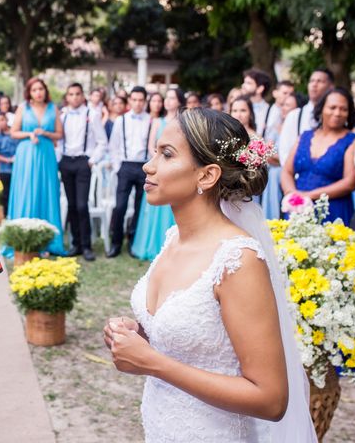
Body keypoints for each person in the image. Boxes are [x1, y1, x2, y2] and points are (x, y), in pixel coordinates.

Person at [104, 108, 317, 442]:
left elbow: (271, 399)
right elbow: (196, 337)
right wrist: (137, 336)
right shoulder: (173, 238)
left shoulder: (237, 259)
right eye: (155, 152)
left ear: (207, 175)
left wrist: (153, 363)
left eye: (167, 154)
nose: (149, 165)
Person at [281, 87, 355, 225]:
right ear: (321, 108)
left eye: (343, 109)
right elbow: (287, 171)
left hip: (333, 210)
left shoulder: (352, 141)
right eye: (332, 107)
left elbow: (350, 182)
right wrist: (292, 194)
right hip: (297, 209)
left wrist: (310, 196)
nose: (337, 113)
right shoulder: (305, 136)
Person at [8, 77, 65, 255]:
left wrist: (45, 133)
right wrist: (28, 134)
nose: (38, 92)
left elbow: (60, 134)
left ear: (45, 91)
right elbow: (13, 132)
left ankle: (48, 241)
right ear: (29, 92)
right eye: (34, 90)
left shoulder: (53, 108)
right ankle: (23, 238)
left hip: (47, 154)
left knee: (46, 191)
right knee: (26, 191)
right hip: (27, 154)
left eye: (41, 89)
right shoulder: (23, 108)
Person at [131, 88, 185, 261]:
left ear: (178, 101)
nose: (168, 101)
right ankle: (151, 245)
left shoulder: (183, 123)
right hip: (158, 165)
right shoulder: (157, 121)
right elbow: (151, 145)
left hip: (173, 168)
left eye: (172, 98)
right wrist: (160, 157)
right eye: (166, 98)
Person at [59, 83, 108, 261]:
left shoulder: (92, 114)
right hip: (65, 161)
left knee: (81, 205)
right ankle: (76, 244)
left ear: (82, 96)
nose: (74, 97)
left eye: (77, 94)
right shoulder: (62, 115)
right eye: (71, 94)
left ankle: (87, 246)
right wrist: (59, 160)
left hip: (82, 163)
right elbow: (58, 140)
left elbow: (102, 142)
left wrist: (91, 160)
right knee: (71, 205)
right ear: (67, 97)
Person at [107, 86, 151, 257]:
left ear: (145, 101)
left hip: (144, 166)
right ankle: (116, 243)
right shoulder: (121, 120)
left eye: (141, 100)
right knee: (120, 206)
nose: (138, 103)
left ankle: (134, 242)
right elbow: (114, 146)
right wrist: (118, 167)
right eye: (134, 100)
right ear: (130, 101)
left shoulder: (150, 120)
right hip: (125, 166)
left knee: (140, 207)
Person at [278, 68, 334, 165]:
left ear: (330, 87)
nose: (314, 84)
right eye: (311, 81)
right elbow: (284, 150)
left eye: (320, 81)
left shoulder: (336, 116)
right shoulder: (294, 116)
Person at [261, 92, 301, 220]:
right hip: (271, 173)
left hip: (283, 172)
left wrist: (271, 154)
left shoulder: (297, 128)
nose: (283, 108)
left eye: (288, 105)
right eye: (283, 105)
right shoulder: (275, 127)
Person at [0, 112, 19, 217]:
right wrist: (8, 160)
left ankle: (17, 214)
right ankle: (7, 215)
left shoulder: (15, 133)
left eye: (2, 119)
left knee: (17, 192)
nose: (1, 122)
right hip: (5, 170)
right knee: (6, 192)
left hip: (18, 169)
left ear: (6, 119)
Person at [241, 68, 272, 135]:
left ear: (260, 89)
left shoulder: (270, 111)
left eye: (248, 83)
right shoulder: (238, 106)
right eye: (244, 82)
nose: (243, 85)